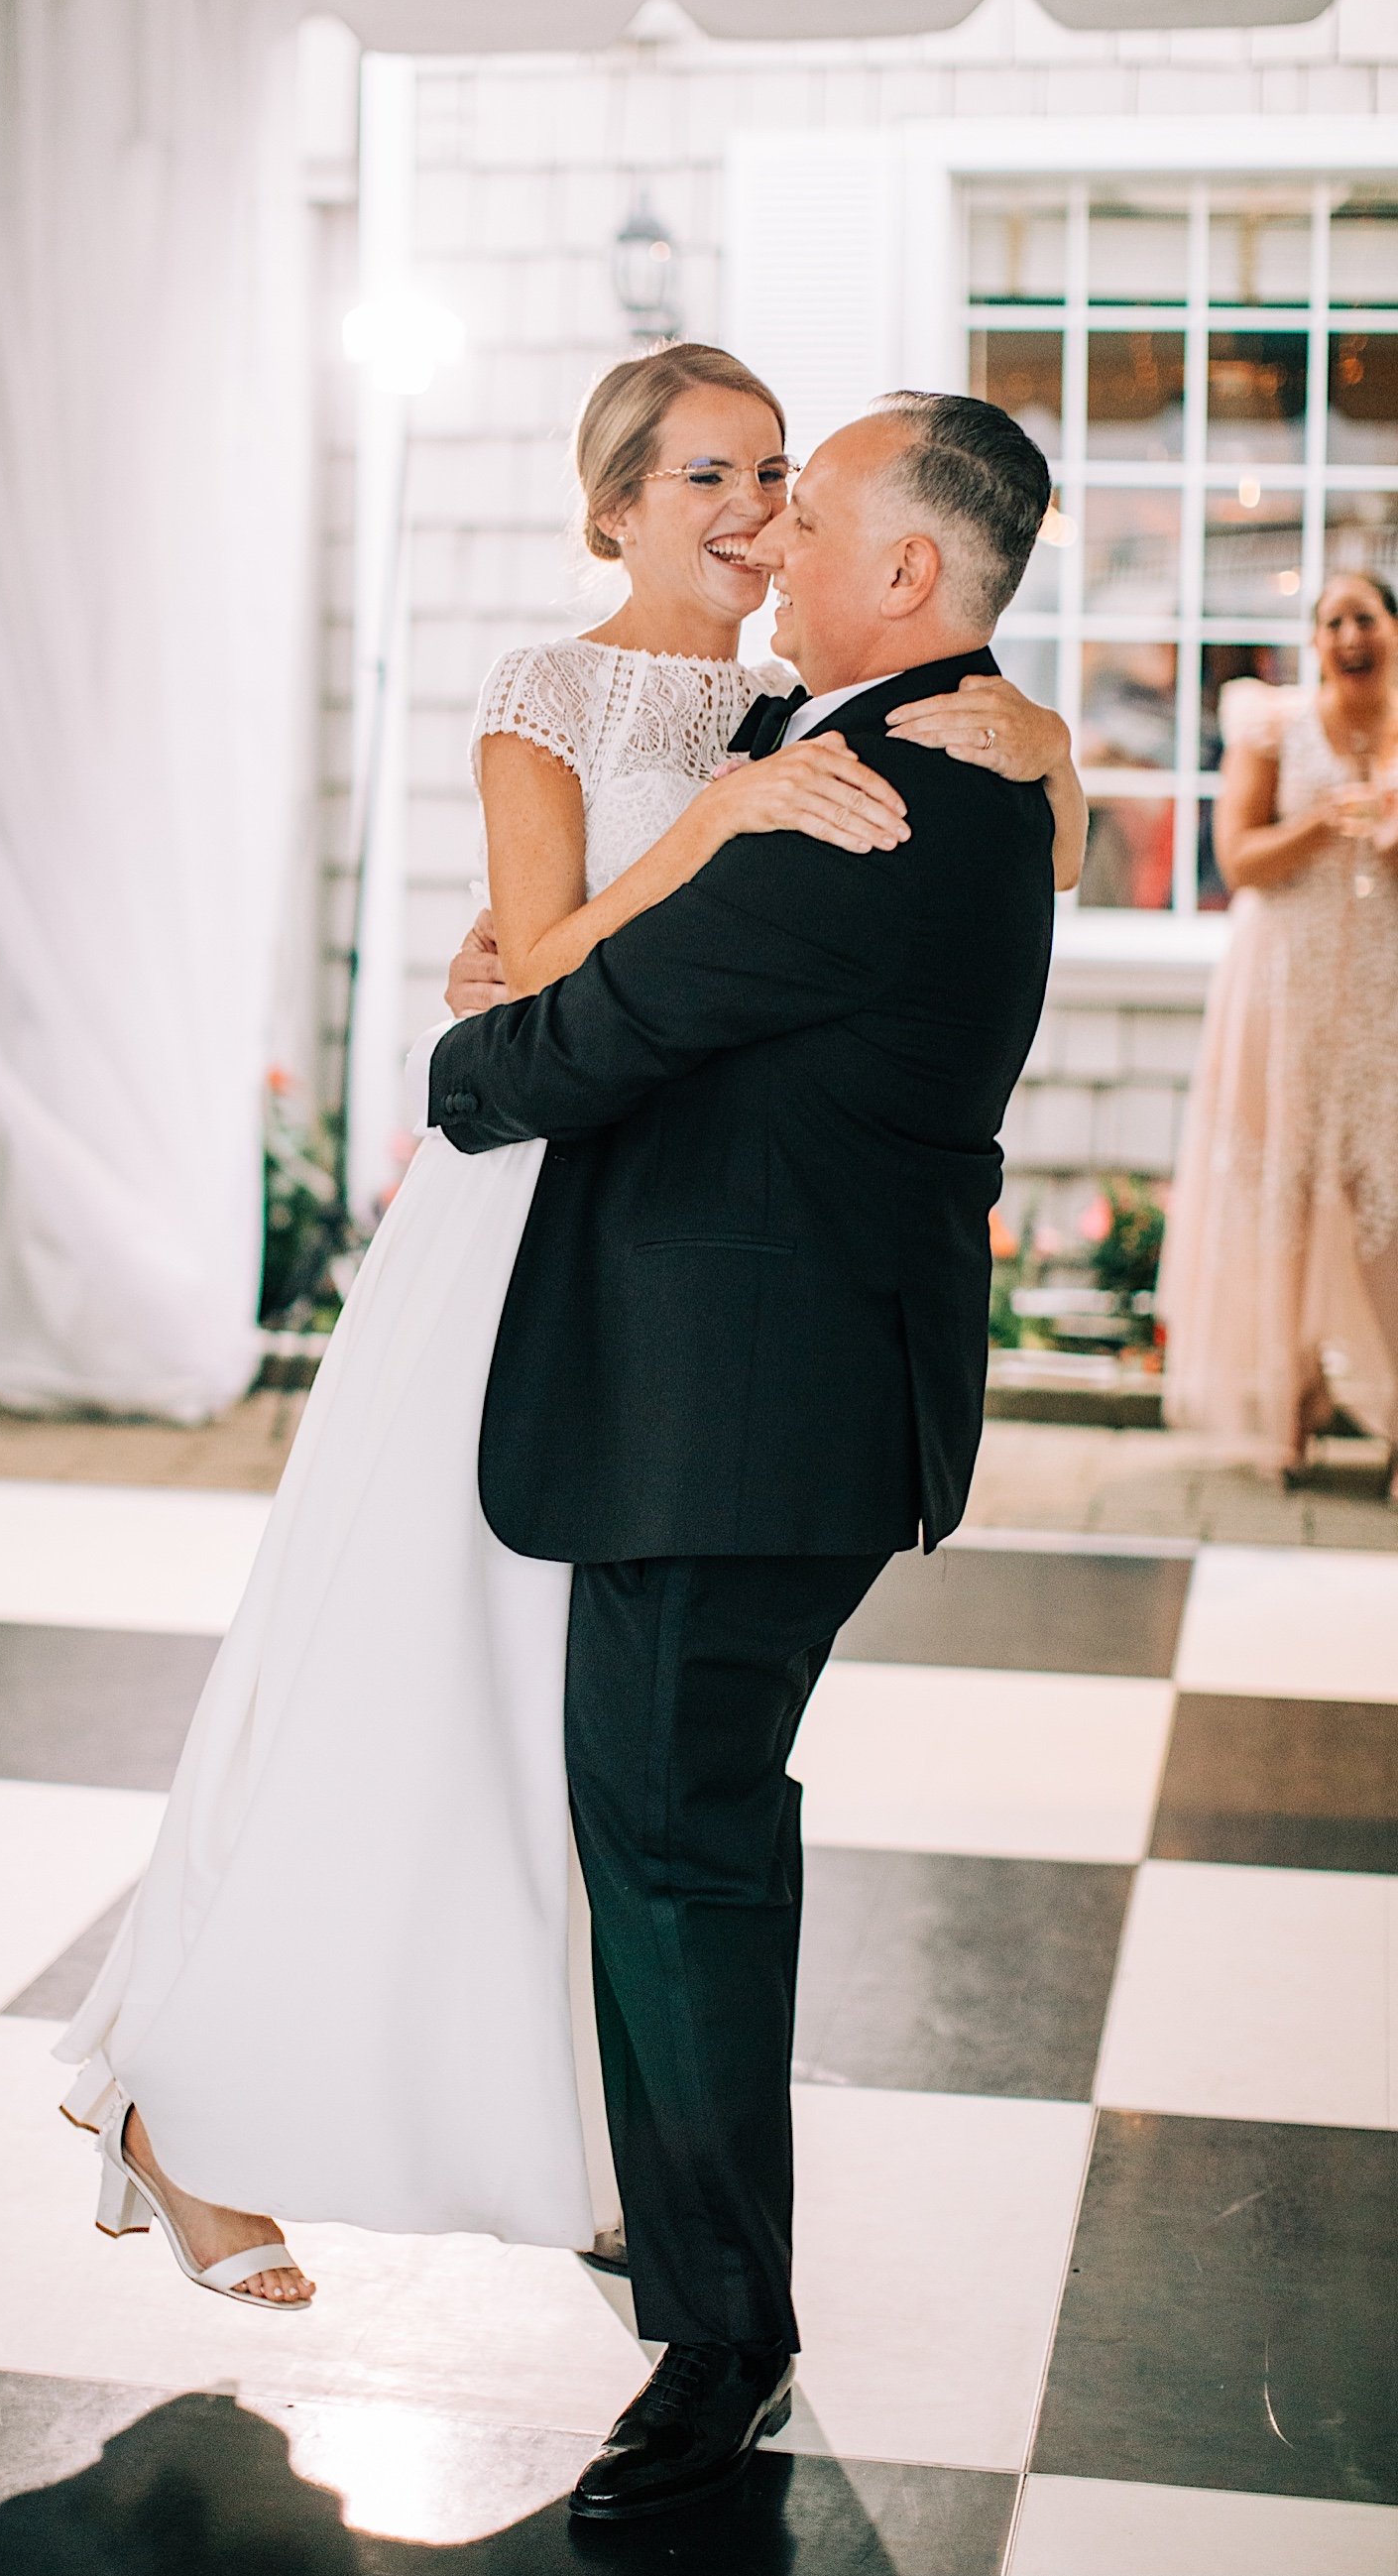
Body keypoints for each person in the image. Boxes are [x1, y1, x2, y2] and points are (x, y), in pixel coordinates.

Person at [55, 347, 1081, 2321]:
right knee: (409, 1669)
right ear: (612, 506)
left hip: (665, 1245)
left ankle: (577, 2131)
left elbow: (925, 776)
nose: (751, 507)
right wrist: (714, 825)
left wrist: (1054, 746)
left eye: (775, 473)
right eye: (703, 470)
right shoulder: (558, 692)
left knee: (567, 1742)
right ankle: (191, 2098)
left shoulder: (812, 706)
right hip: (519, 1206)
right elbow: (533, 972)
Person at [425, 388, 1060, 2520]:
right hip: (787, 1394)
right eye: (741, 490)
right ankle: (703, 2272)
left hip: (732, 1414)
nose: (774, 532)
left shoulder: (860, 800)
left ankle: (722, 2339)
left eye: (815, 509)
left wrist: (466, 1037)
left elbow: (557, 1052)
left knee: (684, 1845)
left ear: (910, 576)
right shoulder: (942, 748)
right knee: (689, 1829)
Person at [1161, 572, 1398, 1490]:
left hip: (1379, 992)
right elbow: (1239, 859)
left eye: (1364, 616)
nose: (1348, 633)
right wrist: (1323, 823)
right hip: (1284, 988)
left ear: (1391, 631)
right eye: (1331, 619)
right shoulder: (1273, 728)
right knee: (1286, 1190)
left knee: (1383, 1198)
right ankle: (1289, 1412)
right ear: (1316, 641)